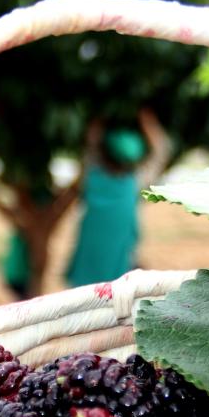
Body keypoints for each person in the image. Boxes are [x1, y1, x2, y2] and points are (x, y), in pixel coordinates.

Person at [64, 108, 170, 288]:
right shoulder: (136, 182)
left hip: (87, 267)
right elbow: (161, 152)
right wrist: (148, 123)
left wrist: (101, 118)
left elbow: (91, 141)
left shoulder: (92, 175)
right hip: (118, 272)